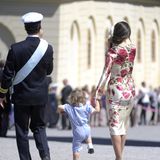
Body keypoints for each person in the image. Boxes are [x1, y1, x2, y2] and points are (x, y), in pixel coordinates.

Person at [0, 12, 54, 160]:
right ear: (40, 27)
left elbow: (7, 76)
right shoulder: (47, 48)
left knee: (22, 131)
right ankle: (45, 156)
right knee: (39, 128)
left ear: (25, 28)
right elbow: (49, 71)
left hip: (21, 97)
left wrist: (2, 94)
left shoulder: (15, 48)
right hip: (40, 96)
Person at [95, 21, 136, 160]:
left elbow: (105, 73)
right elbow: (127, 42)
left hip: (116, 90)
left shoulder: (113, 52)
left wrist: (97, 95)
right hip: (130, 89)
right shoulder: (133, 48)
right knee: (123, 126)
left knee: (114, 127)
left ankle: (119, 158)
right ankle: (119, 157)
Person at [58, 89, 100, 160]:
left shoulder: (69, 107)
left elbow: (59, 107)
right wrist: (97, 103)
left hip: (78, 131)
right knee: (88, 136)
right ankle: (90, 145)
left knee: (75, 149)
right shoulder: (87, 106)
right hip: (87, 128)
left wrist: (61, 111)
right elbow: (97, 110)